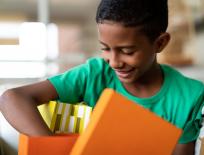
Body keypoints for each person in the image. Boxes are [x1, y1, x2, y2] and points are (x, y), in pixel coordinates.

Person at [0, 0, 203, 154]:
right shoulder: (94, 74)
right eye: (105, 48)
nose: (114, 62)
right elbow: (11, 98)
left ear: (160, 43)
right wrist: (51, 146)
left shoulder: (190, 97)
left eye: (127, 51)